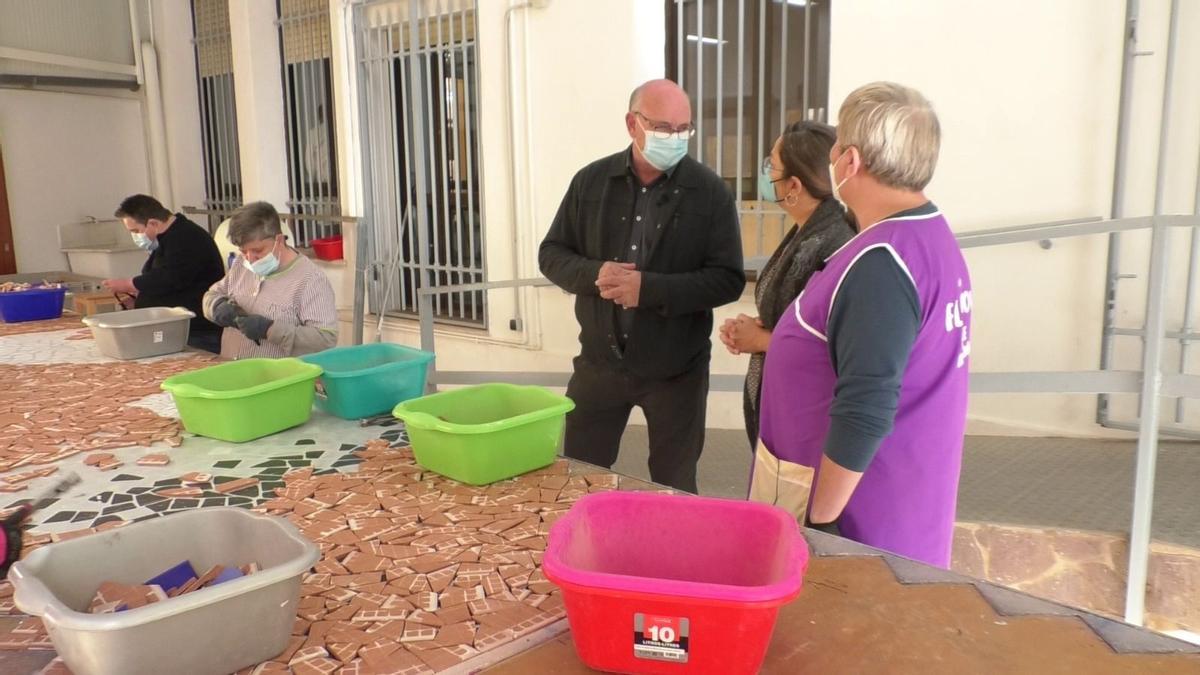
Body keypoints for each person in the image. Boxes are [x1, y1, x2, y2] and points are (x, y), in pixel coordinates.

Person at [752, 82, 972, 568]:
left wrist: (822, 521)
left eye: (836, 145)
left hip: (860, 523)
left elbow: (866, 407)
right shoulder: (927, 234)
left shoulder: (882, 263)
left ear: (849, 161)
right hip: (901, 499)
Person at [539, 79, 745, 493]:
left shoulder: (710, 193)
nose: (675, 138)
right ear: (633, 124)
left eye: (683, 129)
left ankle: (671, 555)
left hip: (676, 370)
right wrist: (594, 274)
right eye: (664, 128)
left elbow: (727, 280)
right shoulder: (590, 182)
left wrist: (648, 290)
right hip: (600, 364)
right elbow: (552, 253)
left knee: (674, 484)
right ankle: (588, 553)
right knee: (582, 476)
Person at [719, 121, 855, 448]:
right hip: (784, 404)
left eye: (772, 166)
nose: (766, 174)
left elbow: (826, 344)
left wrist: (762, 340)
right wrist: (753, 328)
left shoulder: (832, 242)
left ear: (793, 185)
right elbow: (794, 313)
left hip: (806, 416)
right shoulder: (808, 231)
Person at [202, 201, 337, 360]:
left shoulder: (311, 280)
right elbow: (211, 294)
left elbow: (325, 340)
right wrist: (216, 306)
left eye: (257, 250)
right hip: (232, 371)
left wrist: (270, 329)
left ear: (279, 240)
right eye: (244, 251)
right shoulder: (241, 264)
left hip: (277, 380)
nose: (250, 259)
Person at [102, 195, 226, 353]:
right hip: (174, 329)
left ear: (153, 223)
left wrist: (128, 284)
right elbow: (160, 278)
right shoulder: (167, 238)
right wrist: (139, 299)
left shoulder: (187, 237)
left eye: (136, 231)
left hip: (196, 331)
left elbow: (169, 278)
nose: (135, 236)